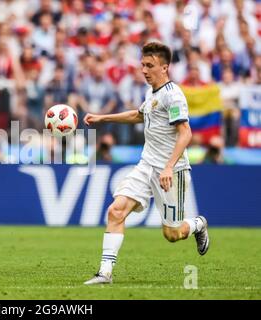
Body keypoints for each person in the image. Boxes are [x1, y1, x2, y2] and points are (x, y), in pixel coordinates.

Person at [83, 42, 210, 285]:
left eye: (149, 65)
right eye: (142, 64)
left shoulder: (173, 95)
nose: (144, 70)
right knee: (116, 211)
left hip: (172, 171)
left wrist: (169, 166)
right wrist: (102, 117)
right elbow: (139, 114)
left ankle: (198, 224)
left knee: (172, 234)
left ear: (165, 68)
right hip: (147, 164)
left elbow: (186, 133)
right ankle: (105, 273)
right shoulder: (151, 91)